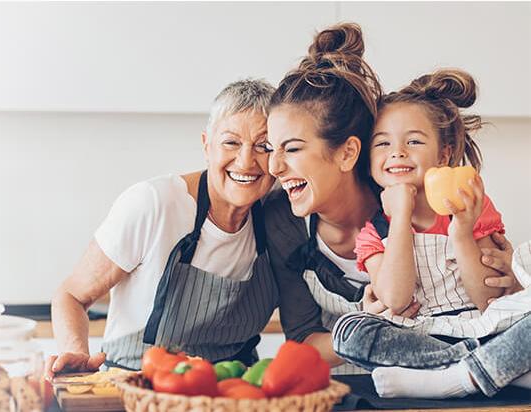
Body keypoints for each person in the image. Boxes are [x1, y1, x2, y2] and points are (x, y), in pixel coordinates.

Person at [260, 23, 523, 375]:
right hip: (356, 383)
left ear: (348, 153)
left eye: (292, 149)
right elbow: (304, 341)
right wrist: (368, 319)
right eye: (270, 148)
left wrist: (515, 278)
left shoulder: (419, 194)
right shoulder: (283, 222)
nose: (274, 166)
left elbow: (491, 295)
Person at [47, 79, 278, 377]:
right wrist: (76, 353)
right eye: (231, 142)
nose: (247, 161)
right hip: (135, 388)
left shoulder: (282, 218)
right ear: (207, 145)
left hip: (233, 391)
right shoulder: (154, 204)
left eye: (264, 146)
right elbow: (71, 295)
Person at [330, 69, 531, 398]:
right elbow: (396, 299)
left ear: (444, 154)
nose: (397, 152)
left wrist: (463, 232)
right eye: (383, 143)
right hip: (422, 338)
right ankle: (493, 368)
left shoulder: (470, 205)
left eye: (413, 141)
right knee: (349, 331)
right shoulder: (374, 231)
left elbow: (487, 299)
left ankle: (457, 378)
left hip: (484, 326)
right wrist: (401, 216)